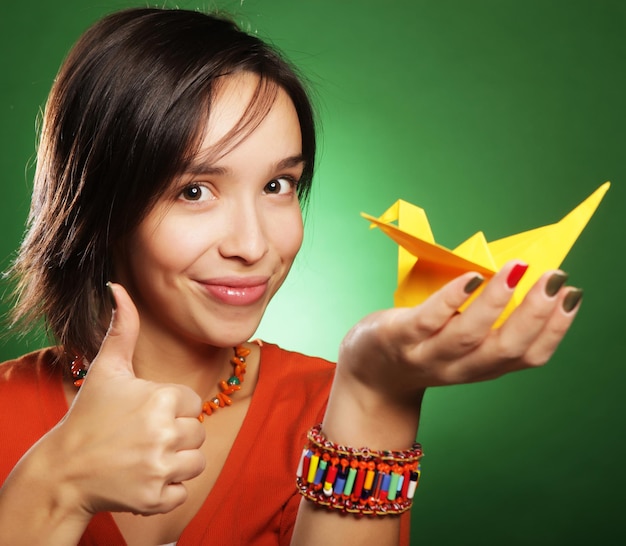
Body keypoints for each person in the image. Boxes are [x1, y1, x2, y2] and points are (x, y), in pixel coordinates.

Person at [0, 7, 582, 546]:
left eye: (278, 185)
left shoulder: (333, 414)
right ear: (100, 206)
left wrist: (375, 391)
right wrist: (56, 485)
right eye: (194, 191)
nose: (253, 245)